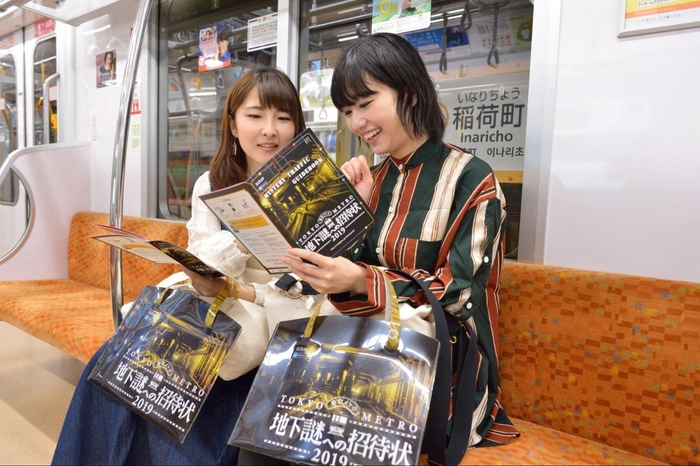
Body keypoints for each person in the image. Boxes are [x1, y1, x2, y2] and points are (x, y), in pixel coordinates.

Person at [52, 66, 305, 465]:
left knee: (195, 406)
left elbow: (304, 284)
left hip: (265, 316)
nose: (269, 130)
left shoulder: (309, 191)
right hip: (208, 302)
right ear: (233, 125)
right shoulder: (212, 183)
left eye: (283, 118)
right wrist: (245, 235)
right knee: (113, 368)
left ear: (297, 127)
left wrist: (240, 285)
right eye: (255, 116)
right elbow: (202, 260)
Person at [280, 32, 520, 449]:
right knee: (280, 421)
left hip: (439, 372)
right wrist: (353, 212)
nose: (356, 123)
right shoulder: (372, 179)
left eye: (365, 103)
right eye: (347, 111)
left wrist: (362, 280)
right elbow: (335, 276)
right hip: (358, 354)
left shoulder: (471, 179)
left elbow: (459, 295)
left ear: (409, 92)